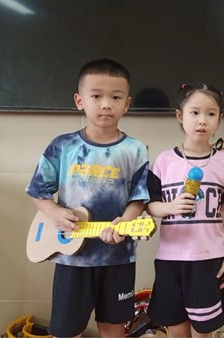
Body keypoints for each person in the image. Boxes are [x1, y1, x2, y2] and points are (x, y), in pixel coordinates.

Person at [25, 58, 150, 338]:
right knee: (66, 330)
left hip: (117, 258)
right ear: (80, 100)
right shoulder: (63, 145)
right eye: (96, 96)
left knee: (113, 327)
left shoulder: (135, 150)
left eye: (115, 97)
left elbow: (139, 199)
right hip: (71, 259)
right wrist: (53, 212)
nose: (106, 104)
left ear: (127, 103)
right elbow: (38, 191)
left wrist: (124, 223)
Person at [146, 83, 224, 338]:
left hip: (208, 260)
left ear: (219, 119)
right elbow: (151, 206)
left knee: (203, 330)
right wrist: (170, 207)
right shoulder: (163, 161)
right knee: (175, 327)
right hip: (170, 259)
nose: (202, 120)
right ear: (180, 116)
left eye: (211, 114)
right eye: (194, 112)